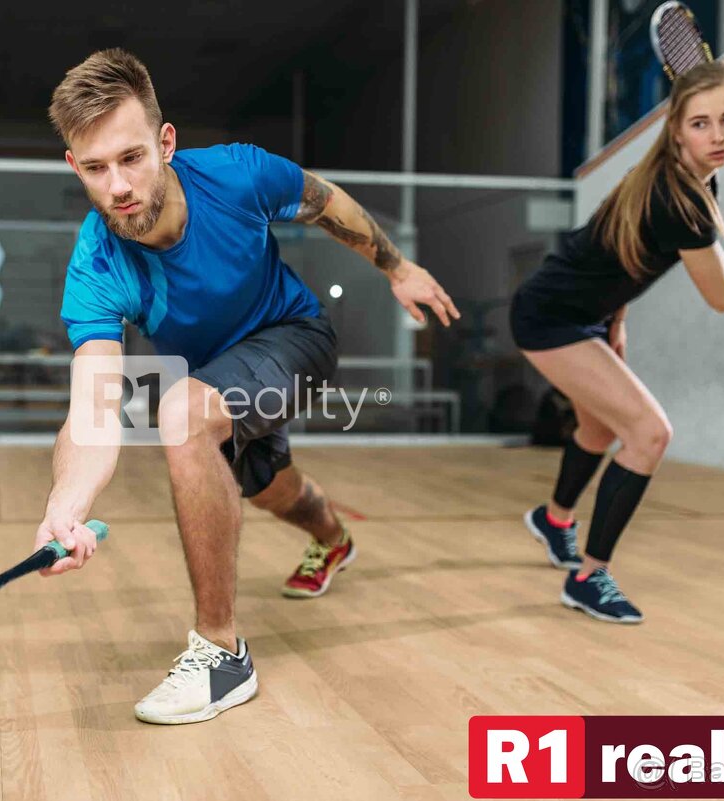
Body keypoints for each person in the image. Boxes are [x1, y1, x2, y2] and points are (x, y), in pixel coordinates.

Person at [36, 48, 459, 724]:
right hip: (218, 380)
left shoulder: (236, 175)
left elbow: (327, 203)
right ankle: (334, 538)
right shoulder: (97, 261)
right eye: (94, 168)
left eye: (131, 157)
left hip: (295, 338)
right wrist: (66, 501)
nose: (116, 186)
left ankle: (221, 652)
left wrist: (396, 266)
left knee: (179, 413)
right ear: (73, 166)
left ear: (166, 142)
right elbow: (92, 407)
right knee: (269, 488)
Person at [513, 61, 724, 624]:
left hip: (588, 315)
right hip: (549, 318)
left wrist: (617, 319)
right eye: (701, 124)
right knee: (649, 433)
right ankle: (590, 578)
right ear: (676, 131)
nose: (717, 136)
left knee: (600, 428)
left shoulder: (684, 175)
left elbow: (621, 255)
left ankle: (555, 520)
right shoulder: (680, 199)